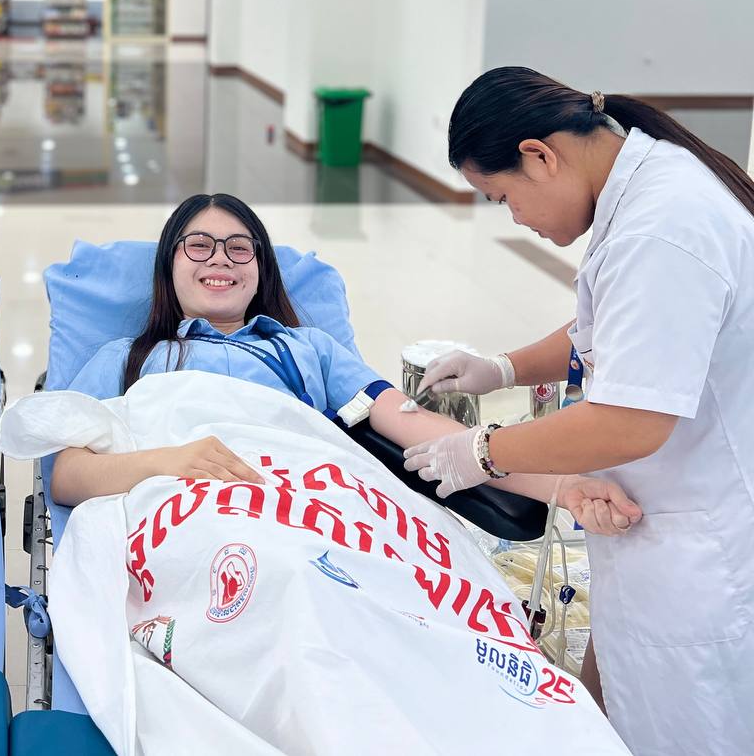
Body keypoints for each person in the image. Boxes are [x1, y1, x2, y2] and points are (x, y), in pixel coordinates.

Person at [403, 67, 754, 756]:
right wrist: (504, 367)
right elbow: (619, 329)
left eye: (504, 197)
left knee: (680, 725)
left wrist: (482, 451)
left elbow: (630, 420)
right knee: (609, 694)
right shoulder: (654, 185)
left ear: (539, 156)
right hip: (663, 520)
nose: (515, 219)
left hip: (703, 551)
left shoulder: (661, 229)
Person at [52, 192, 640, 537]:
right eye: (199, 246)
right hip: (183, 519)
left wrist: (562, 486)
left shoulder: (308, 349)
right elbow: (67, 477)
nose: (221, 260)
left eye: (240, 248)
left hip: (308, 515)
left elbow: (420, 429)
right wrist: (171, 463)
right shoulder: (126, 360)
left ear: (260, 269)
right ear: (170, 264)